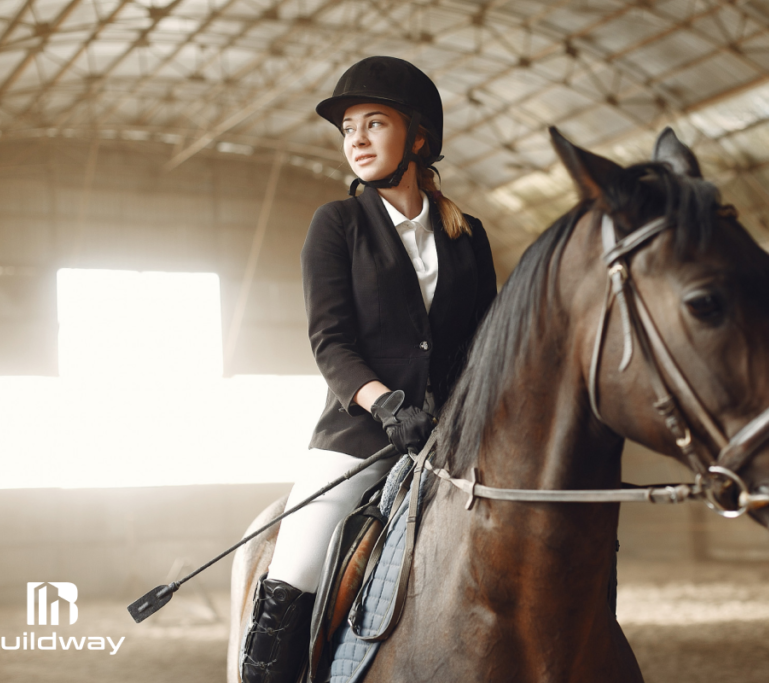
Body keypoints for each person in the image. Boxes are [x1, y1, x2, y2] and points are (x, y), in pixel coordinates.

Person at [240, 56, 497, 683]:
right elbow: (330, 341)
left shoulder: (468, 236)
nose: (354, 139)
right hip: (359, 435)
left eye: (372, 124)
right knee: (296, 561)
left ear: (417, 138)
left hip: (456, 436)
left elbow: (487, 340)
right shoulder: (338, 225)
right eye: (347, 127)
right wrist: (387, 405)